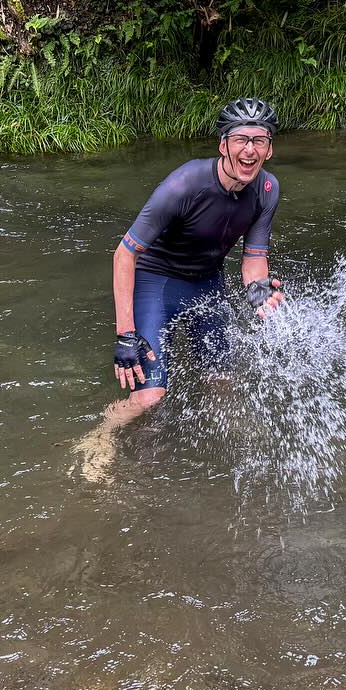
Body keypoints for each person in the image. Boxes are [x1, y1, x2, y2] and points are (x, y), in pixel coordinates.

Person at [73, 97, 286, 481]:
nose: (249, 149)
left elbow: (254, 255)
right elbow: (124, 254)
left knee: (223, 382)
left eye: (260, 140)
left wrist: (257, 288)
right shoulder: (185, 183)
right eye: (240, 139)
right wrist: (125, 334)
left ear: (270, 148)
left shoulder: (267, 189)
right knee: (150, 397)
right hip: (158, 281)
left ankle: (223, 446)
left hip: (208, 283)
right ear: (223, 145)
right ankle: (98, 436)